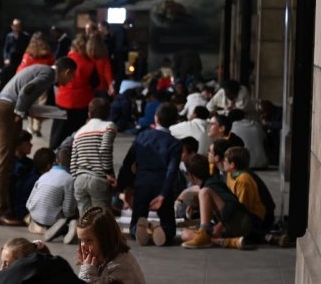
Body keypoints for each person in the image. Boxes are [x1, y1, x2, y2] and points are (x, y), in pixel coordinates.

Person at [0, 57, 76, 225]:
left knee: (5, 162)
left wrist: (25, 111)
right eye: (72, 76)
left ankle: (3, 207)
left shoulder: (43, 70)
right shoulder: (49, 73)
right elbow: (28, 90)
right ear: (67, 72)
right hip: (4, 110)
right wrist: (20, 113)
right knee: (4, 163)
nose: (70, 81)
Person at [76, 206, 155, 284]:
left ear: (105, 238)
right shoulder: (99, 260)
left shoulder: (121, 266)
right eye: (81, 240)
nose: (83, 245)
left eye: (89, 240)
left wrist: (87, 272)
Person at [117, 103, 180, 246]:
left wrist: (126, 187)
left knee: (137, 217)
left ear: (156, 118)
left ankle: (138, 228)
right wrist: (163, 194)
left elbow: (127, 163)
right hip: (162, 185)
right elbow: (172, 171)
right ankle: (161, 229)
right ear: (175, 121)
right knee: (169, 226)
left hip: (142, 183)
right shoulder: (175, 144)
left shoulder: (142, 136)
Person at [54, 33, 114, 149]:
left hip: (64, 100)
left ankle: (55, 157)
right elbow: (95, 83)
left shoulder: (67, 58)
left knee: (59, 133)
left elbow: (56, 80)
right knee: (77, 134)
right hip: (82, 102)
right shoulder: (90, 63)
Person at [181, 152, 251, 250]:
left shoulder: (213, 184)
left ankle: (204, 234)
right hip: (228, 227)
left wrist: (220, 225)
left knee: (204, 192)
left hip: (239, 221)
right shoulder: (207, 183)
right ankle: (228, 242)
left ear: (192, 176)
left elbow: (232, 204)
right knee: (185, 234)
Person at [70, 97, 117, 223]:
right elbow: (105, 150)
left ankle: (85, 241)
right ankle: (103, 242)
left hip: (80, 180)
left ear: (89, 114)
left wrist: (76, 179)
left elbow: (74, 160)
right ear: (107, 113)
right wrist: (109, 173)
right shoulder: (108, 127)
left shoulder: (79, 132)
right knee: (102, 219)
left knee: (85, 219)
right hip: (98, 179)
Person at [26, 147, 77, 241]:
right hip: (52, 220)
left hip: (35, 217)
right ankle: (65, 229)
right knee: (74, 218)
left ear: (57, 160)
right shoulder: (69, 179)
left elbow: (28, 203)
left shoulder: (44, 176)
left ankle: (45, 227)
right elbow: (68, 209)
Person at [1, 18, 31, 84]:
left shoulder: (25, 36)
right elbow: (6, 49)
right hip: (11, 60)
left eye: (18, 26)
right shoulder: (9, 36)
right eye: (15, 26)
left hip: (21, 59)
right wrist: (6, 58)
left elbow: (28, 49)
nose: (16, 28)